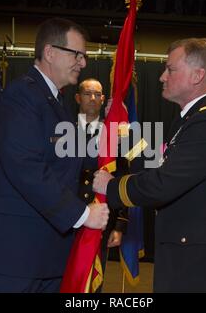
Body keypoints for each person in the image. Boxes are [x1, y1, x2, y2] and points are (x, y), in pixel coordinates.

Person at [0, 18, 109, 293]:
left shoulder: (55, 102)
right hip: (12, 256)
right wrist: (81, 214)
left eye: (84, 56)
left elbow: (72, 158)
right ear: (50, 52)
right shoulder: (20, 96)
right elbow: (26, 168)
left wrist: (112, 128)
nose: (83, 62)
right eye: (77, 54)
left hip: (44, 257)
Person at [93, 38, 206, 292]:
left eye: (170, 69)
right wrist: (125, 131)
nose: (163, 77)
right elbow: (156, 167)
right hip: (183, 260)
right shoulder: (189, 121)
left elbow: (162, 185)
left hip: (199, 270)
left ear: (197, 75)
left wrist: (112, 187)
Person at [75, 78, 129, 292]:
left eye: (98, 94)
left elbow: (123, 179)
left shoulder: (114, 134)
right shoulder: (62, 130)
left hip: (101, 216)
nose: (93, 98)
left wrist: (120, 225)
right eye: (88, 93)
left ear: (104, 99)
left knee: (94, 280)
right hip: (67, 216)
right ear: (78, 97)